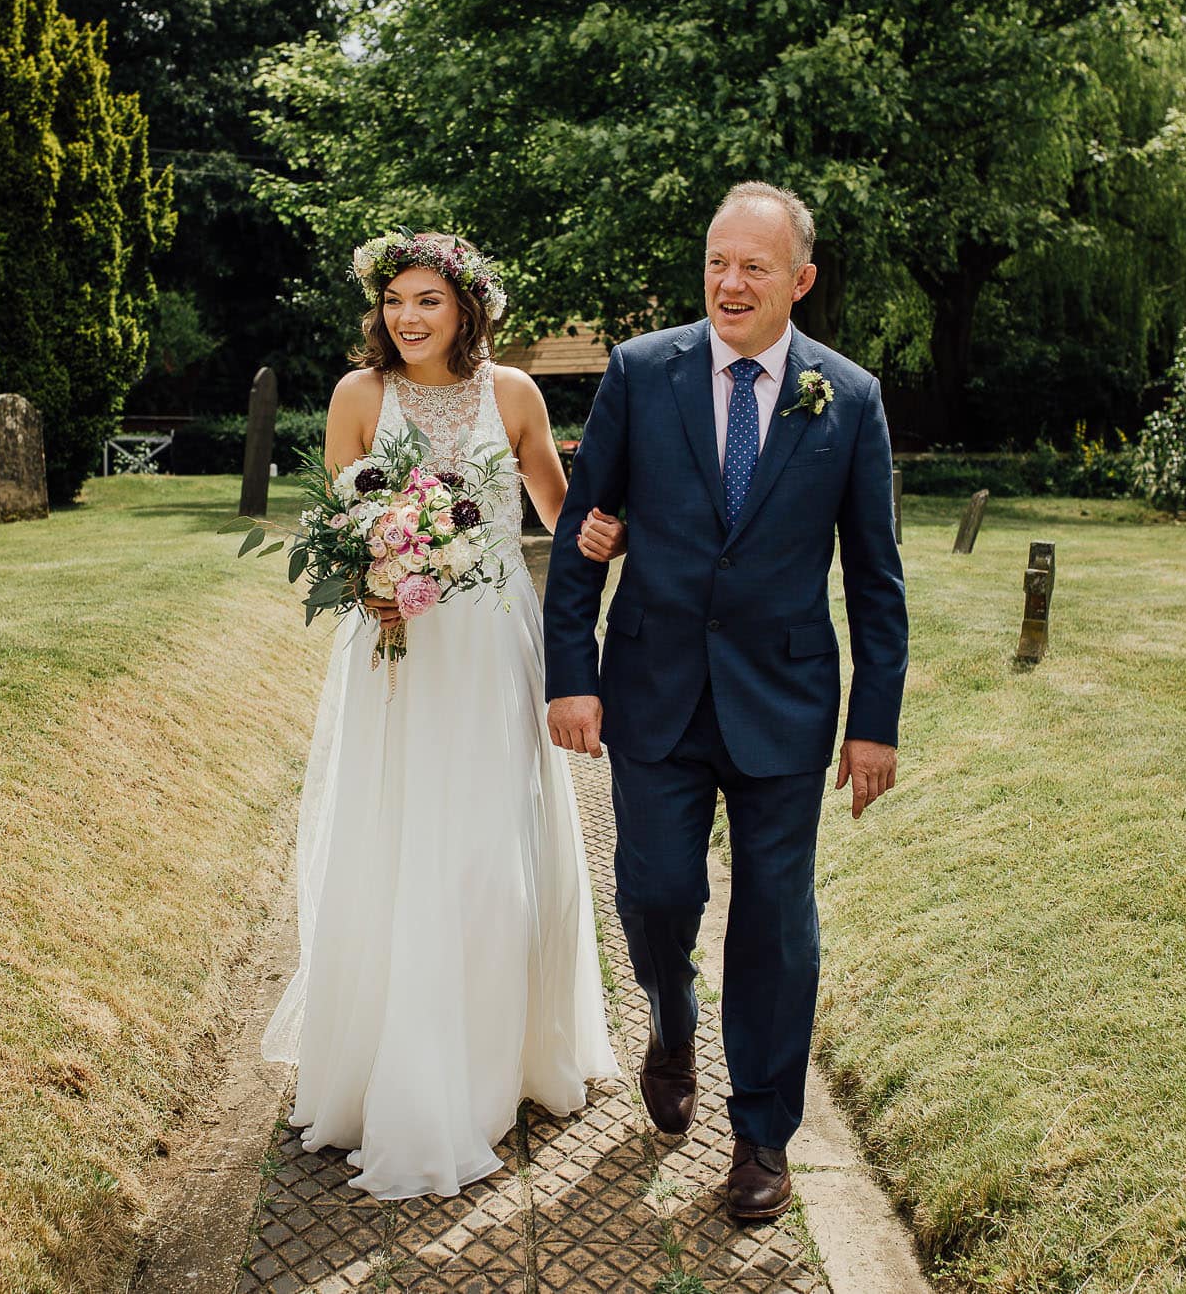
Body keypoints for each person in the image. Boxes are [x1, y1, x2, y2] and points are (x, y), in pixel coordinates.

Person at [542, 182, 909, 1221]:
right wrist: (570, 670)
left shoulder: (849, 397)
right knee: (655, 893)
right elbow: (582, 530)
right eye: (716, 262)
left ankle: (759, 1136)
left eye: (753, 266)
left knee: (775, 924)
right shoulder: (640, 371)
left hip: (785, 702)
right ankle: (668, 1015)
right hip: (651, 688)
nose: (729, 282)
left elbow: (876, 579)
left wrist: (873, 722)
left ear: (798, 280)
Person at [261, 231, 628, 1199]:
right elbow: (332, 524)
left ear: (468, 306)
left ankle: (499, 1059)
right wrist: (367, 579)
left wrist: (615, 523)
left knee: (484, 841)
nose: (407, 318)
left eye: (427, 300)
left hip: (489, 641)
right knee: (394, 834)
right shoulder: (356, 397)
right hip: (395, 651)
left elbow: (556, 508)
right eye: (393, 302)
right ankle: (393, 1064)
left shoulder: (513, 394)